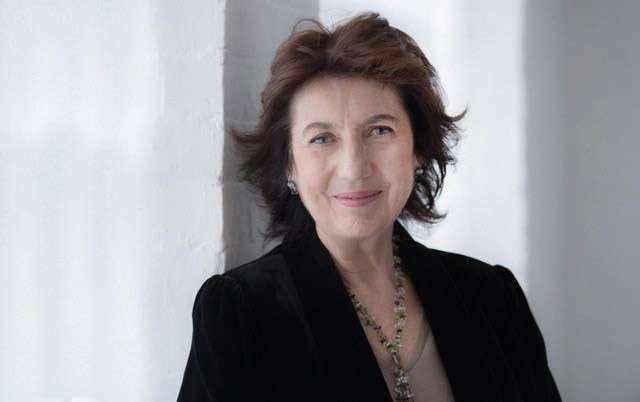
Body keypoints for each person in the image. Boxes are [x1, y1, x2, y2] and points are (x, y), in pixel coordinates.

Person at [177, 12, 561, 402]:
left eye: (379, 130)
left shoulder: (493, 298)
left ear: (417, 148)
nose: (354, 167)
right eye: (322, 138)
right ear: (290, 164)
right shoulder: (240, 313)